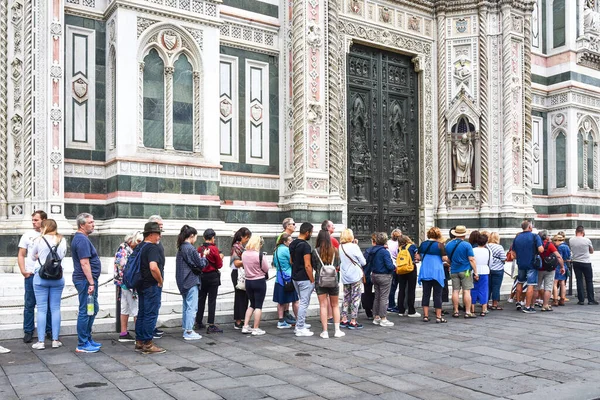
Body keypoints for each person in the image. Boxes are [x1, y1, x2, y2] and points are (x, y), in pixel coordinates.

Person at [30, 219, 67, 350]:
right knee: (55, 308)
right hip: (57, 277)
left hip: (41, 277)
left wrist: (38, 255)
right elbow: (62, 256)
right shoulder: (62, 240)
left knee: (41, 309)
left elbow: (32, 257)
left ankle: (40, 342)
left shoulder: (38, 240)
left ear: (44, 227)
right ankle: (55, 340)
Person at [71, 213, 103, 353]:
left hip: (88, 281)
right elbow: (84, 263)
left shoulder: (82, 239)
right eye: (90, 222)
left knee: (92, 309)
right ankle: (82, 343)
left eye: (93, 222)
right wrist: (91, 282)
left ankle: (87, 338)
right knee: (86, 310)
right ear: (82, 224)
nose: (93, 224)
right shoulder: (82, 240)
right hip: (85, 281)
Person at [18, 210, 51, 343]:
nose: (33, 222)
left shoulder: (50, 235)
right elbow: (21, 254)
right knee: (30, 303)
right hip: (31, 273)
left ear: (43, 220)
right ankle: (28, 330)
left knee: (48, 303)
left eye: (36, 220)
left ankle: (49, 329)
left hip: (47, 274)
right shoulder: (28, 235)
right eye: (33, 220)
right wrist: (23, 270)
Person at [135, 221, 166, 354]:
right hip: (151, 285)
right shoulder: (152, 248)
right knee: (150, 314)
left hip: (141, 284)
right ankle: (148, 343)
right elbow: (153, 267)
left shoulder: (140, 246)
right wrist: (160, 280)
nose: (159, 236)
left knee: (142, 313)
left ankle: (139, 341)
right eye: (158, 233)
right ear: (152, 234)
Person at [176, 225, 209, 341]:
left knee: (186, 306)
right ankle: (189, 330)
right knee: (191, 307)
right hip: (191, 280)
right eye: (195, 236)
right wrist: (204, 256)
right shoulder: (190, 248)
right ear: (191, 236)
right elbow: (201, 264)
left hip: (182, 281)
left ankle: (186, 328)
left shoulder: (181, 248)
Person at [312, 231, 345, 339]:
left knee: (323, 305)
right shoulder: (335, 251)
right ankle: (337, 330)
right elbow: (338, 265)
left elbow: (314, 266)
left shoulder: (315, 252)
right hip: (333, 281)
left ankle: (325, 331)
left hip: (320, 281)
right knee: (335, 305)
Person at [113, 230, 143, 342]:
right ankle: (140, 336)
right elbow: (127, 269)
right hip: (129, 284)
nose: (140, 244)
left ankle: (124, 332)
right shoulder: (125, 251)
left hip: (123, 284)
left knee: (125, 308)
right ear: (132, 240)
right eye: (138, 241)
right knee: (136, 309)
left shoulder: (123, 248)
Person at [511, 220, 544, 313]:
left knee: (520, 282)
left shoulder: (517, 237)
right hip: (531, 264)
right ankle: (527, 306)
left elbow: (513, 253)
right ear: (530, 227)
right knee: (531, 284)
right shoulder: (535, 236)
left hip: (521, 263)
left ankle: (518, 301)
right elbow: (541, 250)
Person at [446, 225, 478, 318]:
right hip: (466, 270)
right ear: (464, 235)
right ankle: (468, 312)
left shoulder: (448, 245)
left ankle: (456, 311)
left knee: (455, 291)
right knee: (466, 291)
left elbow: (448, 260)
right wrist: (476, 271)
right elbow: (471, 259)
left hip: (454, 270)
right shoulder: (467, 245)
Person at [241, 236, 270, 336]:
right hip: (259, 281)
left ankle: (245, 326)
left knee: (251, 304)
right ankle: (256, 328)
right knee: (258, 305)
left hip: (248, 281)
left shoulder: (244, 254)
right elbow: (266, 268)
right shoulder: (259, 255)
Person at [196, 229, 224, 333]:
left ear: (204, 238)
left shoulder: (200, 248)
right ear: (212, 238)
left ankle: (198, 321)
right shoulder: (214, 249)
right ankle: (211, 324)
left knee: (201, 299)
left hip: (202, 276)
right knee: (212, 300)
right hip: (212, 276)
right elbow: (219, 265)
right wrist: (221, 258)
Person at [290, 222, 315, 337]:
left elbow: (291, 261)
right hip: (304, 277)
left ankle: (301, 323)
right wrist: (312, 279)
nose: (311, 234)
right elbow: (307, 265)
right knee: (304, 303)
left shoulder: (292, 243)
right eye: (311, 232)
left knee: (301, 301)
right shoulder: (305, 246)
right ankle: (300, 327)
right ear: (307, 232)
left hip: (295, 276)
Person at [417, 227, 447, 323]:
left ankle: (425, 316)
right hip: (437, 272)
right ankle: (438, 317)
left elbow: (418, 257)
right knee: (438, 295)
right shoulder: (440, 245)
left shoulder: (423, 244)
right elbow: (444, 258)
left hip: (425, 270)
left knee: (426, 294)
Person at [339, 229, 366, 330]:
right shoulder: (354, 247)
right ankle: (353, 320)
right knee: (355, 297)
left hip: (345, 275)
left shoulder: (340, 246)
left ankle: (344, 318)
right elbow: (363, 262)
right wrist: (356, 245)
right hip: (355, 275)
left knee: (346, 297)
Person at [273, 233, 299, 329]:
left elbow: (275, 264)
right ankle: (299, 320)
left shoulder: (276, 250)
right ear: (284, 242)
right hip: (289, 277)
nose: (291, 242)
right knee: (295, 300)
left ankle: (281, 320)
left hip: (279, 278)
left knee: (281, 301)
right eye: (290, 240)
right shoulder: (286, 250)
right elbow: (293, 261)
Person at [369, 232, 396, 327]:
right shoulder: (384, 252)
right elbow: (389, 265)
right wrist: (394, 267)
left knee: (377, 296)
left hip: (374, 275)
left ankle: (376, 317)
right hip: (384, 275)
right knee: (384, 297)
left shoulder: (372, 250)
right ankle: (383, 318)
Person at [147, 215, 166, 339]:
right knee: (151, 305)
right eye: (159, 227)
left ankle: (152, 327)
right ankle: (148, 332)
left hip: (157, 277)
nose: (161, 230)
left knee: (155, 304)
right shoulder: (151, 245)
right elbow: (153, 266)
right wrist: (159, 280)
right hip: (153, 279)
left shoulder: (157, 243)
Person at [537, 230, 564, 312]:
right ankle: (545, 305)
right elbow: (558, 256)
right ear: (547, 237)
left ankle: (530, 304)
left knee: (536, 287)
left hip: (538, 268)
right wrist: (562, 266)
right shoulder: (550, 245)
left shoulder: (537, 245)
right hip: (550, 269)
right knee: (548, 287)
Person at [569, 226, 597, 305]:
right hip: (586, 262)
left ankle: (581, 300)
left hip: (576, 262)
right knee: (589, 281)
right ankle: (591, 300)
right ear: (583, 232)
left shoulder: (571, 240)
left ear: (576, 231)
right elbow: (591, 251)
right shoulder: (587, 240)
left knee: (579, 280)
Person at [231, 227, 251, 330]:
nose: (247, 239)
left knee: (244, 296)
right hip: (238, 273)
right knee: (239, 296)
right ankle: (238, 320)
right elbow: (236, 262)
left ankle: (243, 319)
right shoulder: (236, 247)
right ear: (242, 237)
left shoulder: (242, 247)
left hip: (243, 273)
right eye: (247, 237)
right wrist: (249, 260)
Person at [396, 235, 420, 318]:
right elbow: (416, 257)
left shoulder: (399, 248)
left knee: (401, 289)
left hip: (401, 270)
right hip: (411, 269)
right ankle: (411, 310)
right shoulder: (412, 246)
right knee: (411, 290)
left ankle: (401, 310)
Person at [472, 232, 491, 317]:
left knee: (473, 290)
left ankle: (472, 308)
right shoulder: (487, 250)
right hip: (484, 270)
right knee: (484, 290)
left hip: (474, 270)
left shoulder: (473, 250)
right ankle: (484, 309)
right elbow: (490, 262)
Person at [487, 232, 507, 310]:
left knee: (488, 286)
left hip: (488, 269)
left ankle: (486, 302)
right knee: (496, 287)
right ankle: (494, 304)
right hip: (498, 269)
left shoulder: (487, 246)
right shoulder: (499, 247)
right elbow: (503, 258)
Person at [362, 233, 378, 319]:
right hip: (377, 273)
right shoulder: (381, 251)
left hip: (367, 273)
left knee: (367, 291)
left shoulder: (368, 251)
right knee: (378, 293)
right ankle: (376, 311)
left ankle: (368, 311)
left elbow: (363, 263)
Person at [552, 234, 571, 306]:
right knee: (563, 283)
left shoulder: (559, 247)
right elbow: (569, 257)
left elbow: (559, 257)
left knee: (555, 283)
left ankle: (555, 299)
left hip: (559, 266)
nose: (554, 243)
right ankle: (562, 299)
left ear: (558, 240)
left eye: (555, 241)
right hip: (565, 264)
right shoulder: (567, 246)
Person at [387, 229, 402, 313]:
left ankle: (391, 304)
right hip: (399, 266)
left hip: (392, 266)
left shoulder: (388, 243)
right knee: (397, 287)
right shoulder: (399, 244)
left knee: (392, 287)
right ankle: (393, 305)